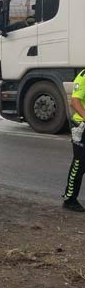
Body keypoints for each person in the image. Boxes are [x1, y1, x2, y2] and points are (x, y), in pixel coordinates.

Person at [62, 70, 85, 212]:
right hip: (82, 127)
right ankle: (69, 199)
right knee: (79, 164)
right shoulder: (83, 76)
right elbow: (75, 102)